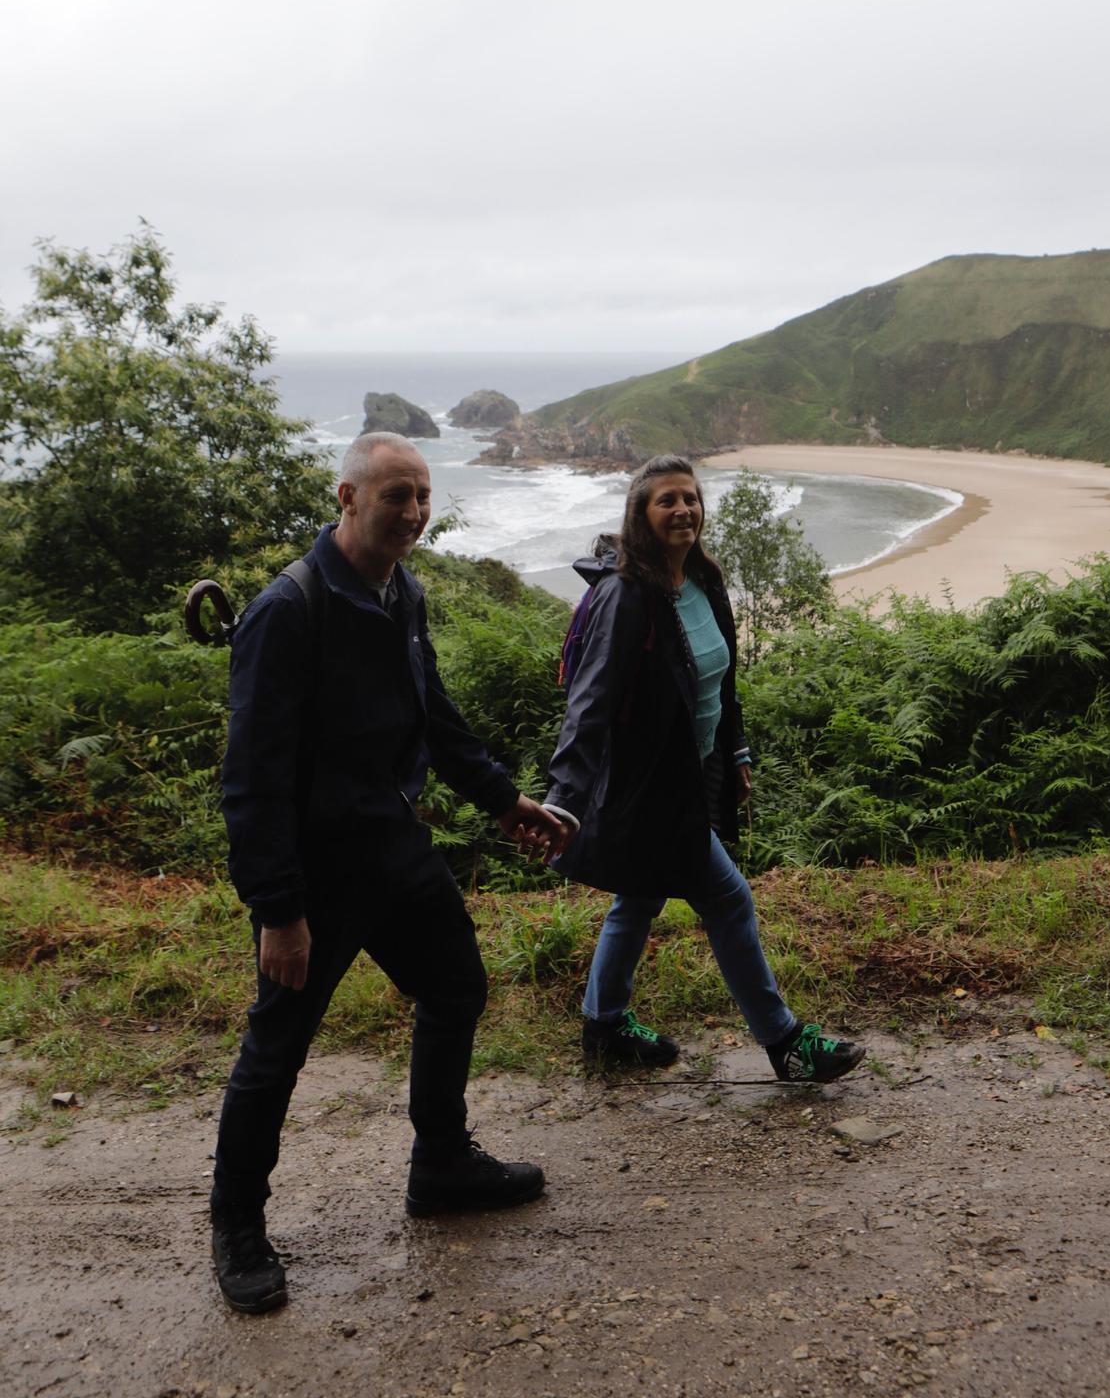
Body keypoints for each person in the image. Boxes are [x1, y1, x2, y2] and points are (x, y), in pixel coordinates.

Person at [210, 432, 569, 1315]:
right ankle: (236, 1226)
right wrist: (277, 908)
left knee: (456, 988)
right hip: (317, 870)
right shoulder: (288, 610)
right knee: (278, 1047)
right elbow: (251, 776)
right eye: (394, 496)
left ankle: (440, 1163)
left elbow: (432, 715)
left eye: (421, 496)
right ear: (347, 498)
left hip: (395, 846)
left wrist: (502, 798)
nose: (412, 512)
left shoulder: (399, 589)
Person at [546, 454, 866, 1084]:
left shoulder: (701, 580)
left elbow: (720, 683)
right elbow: (590, 703)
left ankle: (604, 1025)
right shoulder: (627, 596)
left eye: (690, 499)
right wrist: (564, 798)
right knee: (728, 899)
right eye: (666, 500)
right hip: (653, 787)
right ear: (641, 514)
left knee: (638, 898)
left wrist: (736, 752)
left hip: (698, 772)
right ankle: (785, 1044)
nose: (682, 510)